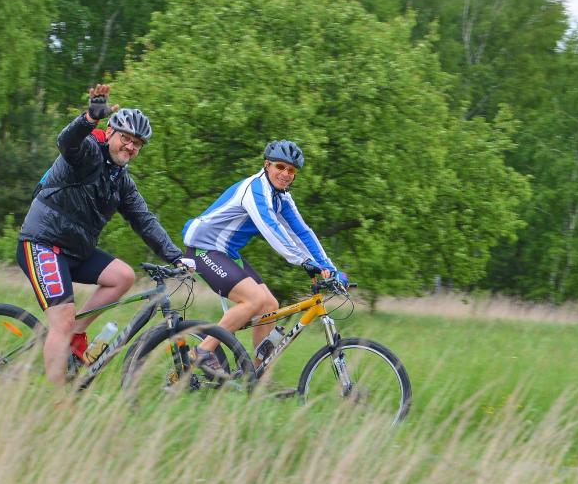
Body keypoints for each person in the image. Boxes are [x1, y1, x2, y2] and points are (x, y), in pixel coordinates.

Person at [17, 84, 194, 383]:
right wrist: (89, 118)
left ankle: (75, 335)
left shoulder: (121, 181)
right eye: (126, 138)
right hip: (43, 244)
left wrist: (176, 257)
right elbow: (66, 142)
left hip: (76, 251)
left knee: (123, 276)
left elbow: (144, 220)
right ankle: (58, 400)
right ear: (110, 132)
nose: (131, 147)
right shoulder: (87, 153)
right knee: (61, 320)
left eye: (137, 144)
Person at [182, 140, 346, 370]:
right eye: (280, 167)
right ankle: (202, 351)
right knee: (254, 300)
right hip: (203, 248)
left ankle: (257, 375)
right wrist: (303, 261)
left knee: (269, 304)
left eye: (291, 170)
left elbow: (302, 232)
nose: (286, 174)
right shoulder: (255, 189)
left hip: (226, 252)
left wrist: (330, 267)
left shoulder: (282, 197)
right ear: (267, 165)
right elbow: (271, 228)